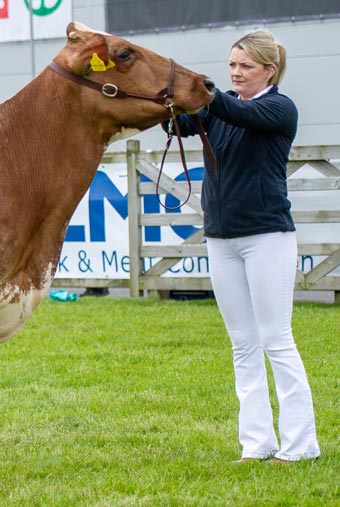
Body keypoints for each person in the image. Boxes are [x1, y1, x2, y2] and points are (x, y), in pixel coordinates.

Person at [169, 30, 319, 464]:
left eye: (246, 66)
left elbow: (231, 111)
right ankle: (257, 444)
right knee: (243, 344)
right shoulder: (220, 106)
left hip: (267, 236)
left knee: (276, 339)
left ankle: (301, 444)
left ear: (269, 70)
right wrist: (169, 100)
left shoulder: (278, 107)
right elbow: (180, 124)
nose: (236, 73)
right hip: (221, 238)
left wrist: (202, 95)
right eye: (232, 65)